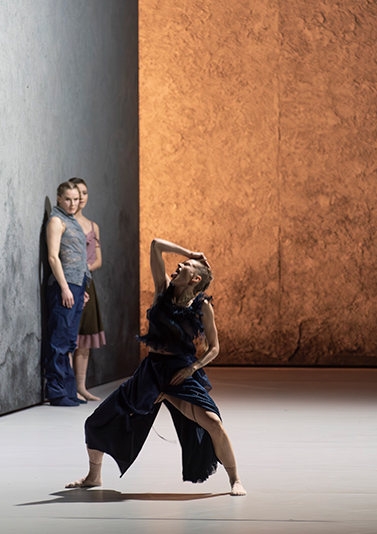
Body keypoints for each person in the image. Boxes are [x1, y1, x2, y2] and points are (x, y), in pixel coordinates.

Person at [66, 238, 246, 495]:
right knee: (96, 421)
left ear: (195, 279)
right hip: (151, 371)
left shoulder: (203, 307)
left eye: (185, 265)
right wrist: (191, 252)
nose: (178, 266)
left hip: (180, 371)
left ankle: (235, 479)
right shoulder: (163, 290)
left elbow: (214, 348)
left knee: (213, 422)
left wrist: (192, 368)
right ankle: (94, 477)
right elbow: (155, 245)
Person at [44, 181, 90, 406]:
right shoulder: (56, 220)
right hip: (64, 285)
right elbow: (53, 257)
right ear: (59, 199)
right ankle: (56, 392)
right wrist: (64, 287)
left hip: (76, 285)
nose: (73, 203)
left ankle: (69, 391)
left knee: (70, 341)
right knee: (59, 340)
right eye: (68, 199)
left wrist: (82, 288)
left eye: (76, 199)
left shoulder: (72, 221)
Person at [68, 177, 106, 402]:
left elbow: (99, 260)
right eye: (77, 193)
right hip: (71, 283)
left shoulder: (93, 226)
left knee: (85, 338)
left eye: (84, 193)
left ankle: (81, 387)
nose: (81, 198)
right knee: (70, 338)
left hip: (88, 283)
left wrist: (84, 270)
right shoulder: (65, 223)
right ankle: (69, 387)